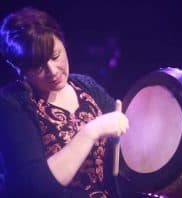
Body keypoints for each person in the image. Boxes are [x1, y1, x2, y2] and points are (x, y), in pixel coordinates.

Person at [0, 7, 129, 198]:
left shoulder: (86, 86)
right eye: (38, 65)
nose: (52, 71)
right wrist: (90, 131)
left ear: (64, 42)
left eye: (55, 56)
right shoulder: (12, 103)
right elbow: (36, 188)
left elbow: (129, 145)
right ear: (19, 68)